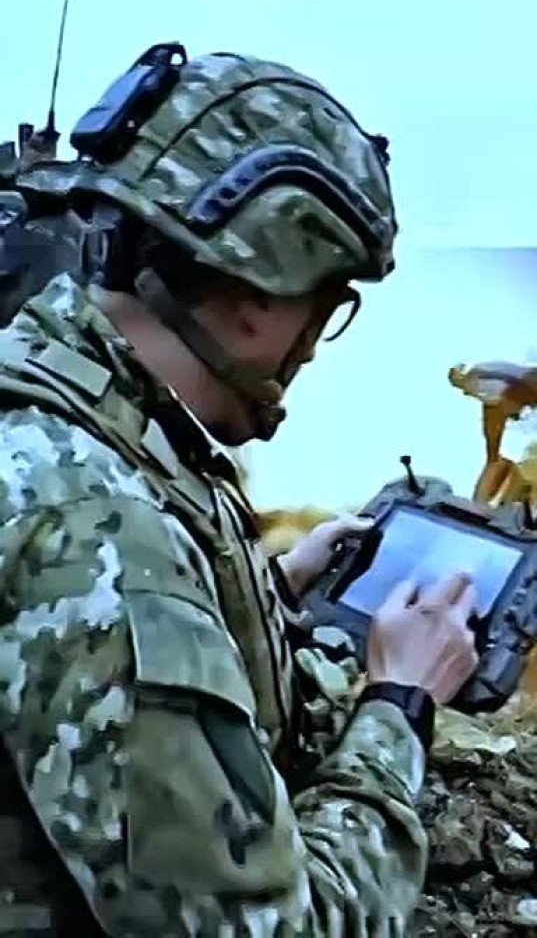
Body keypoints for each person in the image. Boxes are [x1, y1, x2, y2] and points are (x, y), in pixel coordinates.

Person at [0, 45, 478, 937]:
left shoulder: (74, 404)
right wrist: (400, 706)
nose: (312, 345)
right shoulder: (103, 533)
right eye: (325, 302)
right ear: (263, 288)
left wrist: (267, 593)